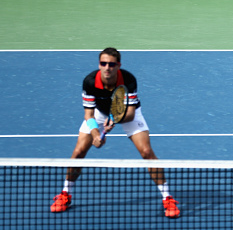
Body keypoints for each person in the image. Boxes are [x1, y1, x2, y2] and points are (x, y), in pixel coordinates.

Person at [50, 47, 180, 218]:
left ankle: (167, 198)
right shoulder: (90, 82)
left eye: (111, 64)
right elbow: (88, 114)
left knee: (147, 152)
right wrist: (97, 134)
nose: (107, 67)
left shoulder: (128, 79)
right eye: (103, 63)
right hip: (98, 113)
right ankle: (65, 194)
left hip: (126, 113)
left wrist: (115, 121)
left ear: (118, 65)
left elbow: (131, 113)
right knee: (78, 152)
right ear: (99, 64)